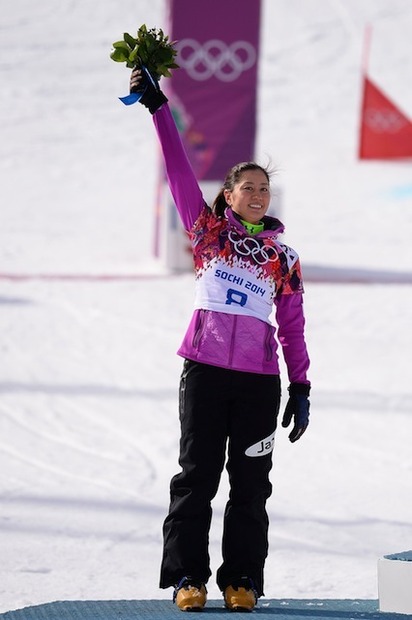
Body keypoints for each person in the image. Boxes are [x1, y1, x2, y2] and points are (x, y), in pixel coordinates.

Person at [128, 65, 311, 612]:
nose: (258, 195)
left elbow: (294, 327)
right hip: (204, 374)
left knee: (252, 485)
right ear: (228, 195)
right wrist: (160, 110)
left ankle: (242, 582)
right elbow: (179, 170)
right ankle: (188, 578)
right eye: (247, 188)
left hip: (259, 383)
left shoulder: (285, 259)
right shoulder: (207, 233)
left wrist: (300, 386)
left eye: (264, 189)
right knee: (197, 477)